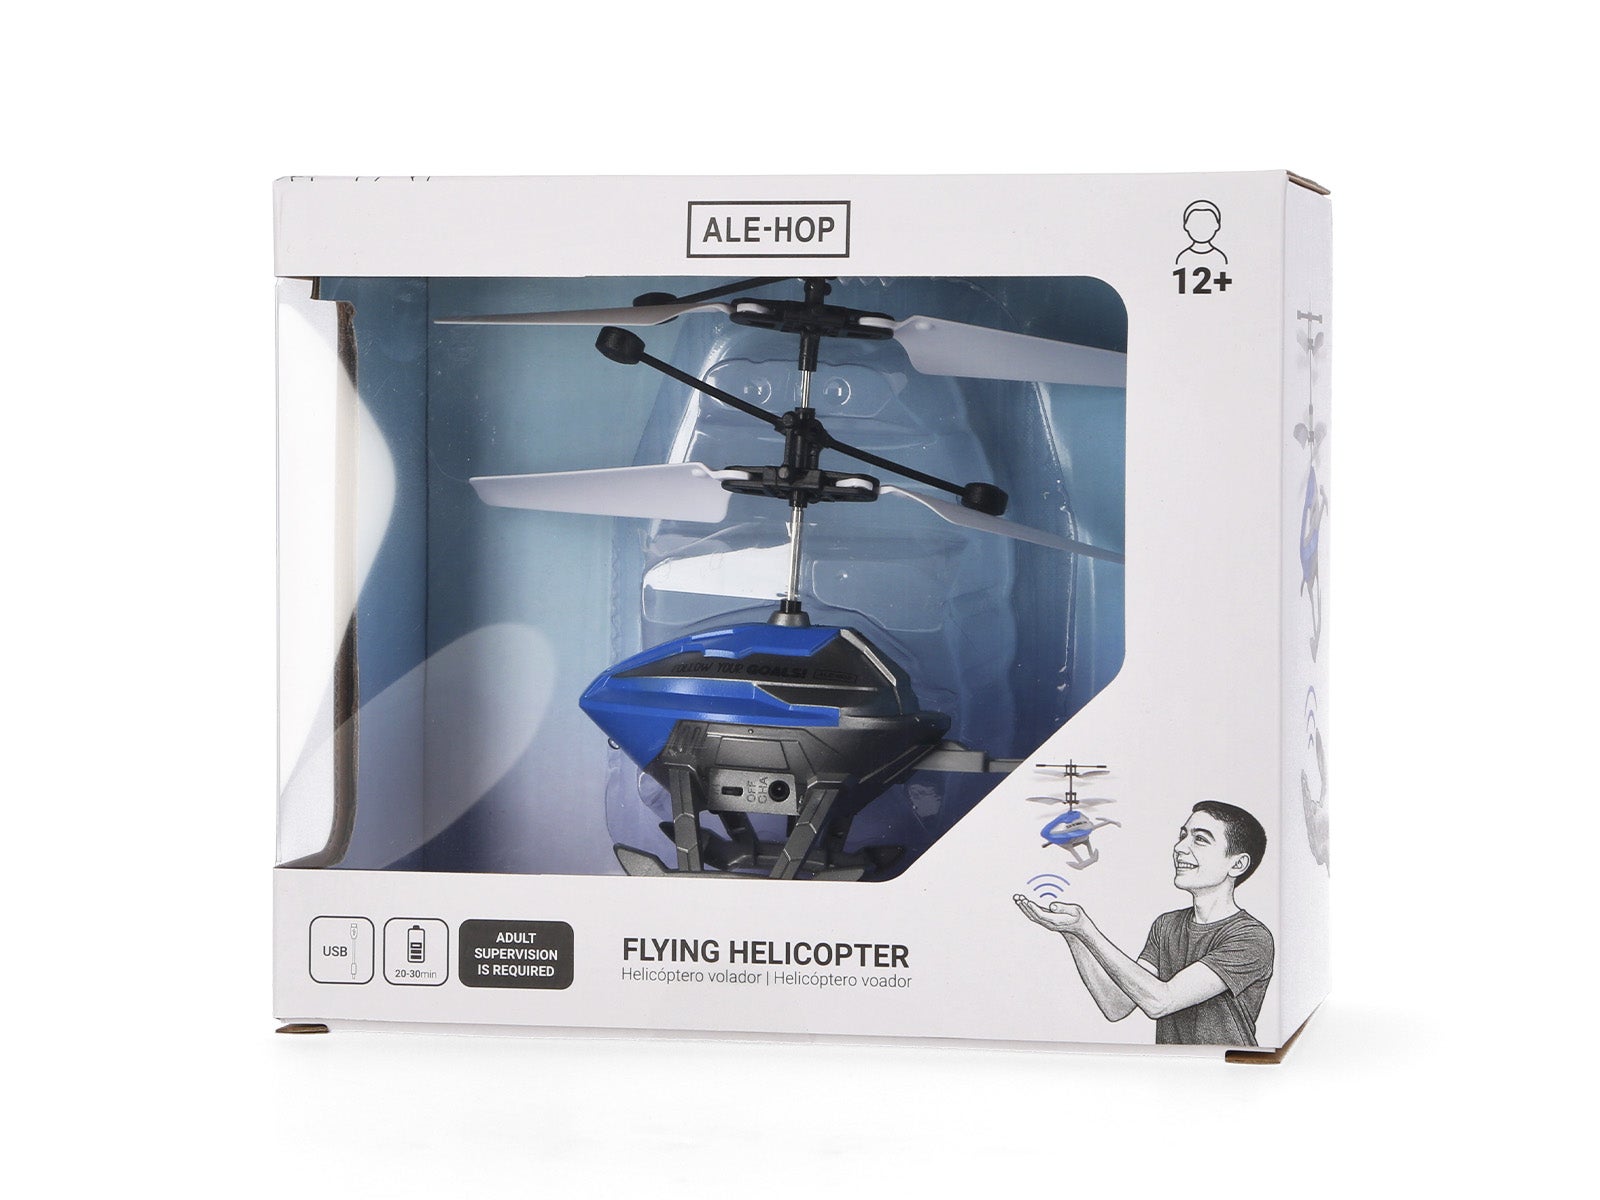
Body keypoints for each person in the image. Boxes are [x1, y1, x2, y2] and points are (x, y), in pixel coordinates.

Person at [1015, 801, 1274, 1046]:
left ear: (1238, 864)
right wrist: (1075, 933)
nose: (1180, 847)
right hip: (1171, 1072)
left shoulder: (1251, 938)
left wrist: (1088, 930)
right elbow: (1116, 1006)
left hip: (1227, 1074)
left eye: (1200, 839)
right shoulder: (1167, 925)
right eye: (1182, 835)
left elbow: (1160, 1001)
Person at [1175, 200, 1228, 265]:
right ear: (1186, 226)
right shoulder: (1183, 257)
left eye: (1208, 222)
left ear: (1217, 226)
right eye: (1195, 222)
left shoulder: (1219, 257)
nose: (1202, 227)